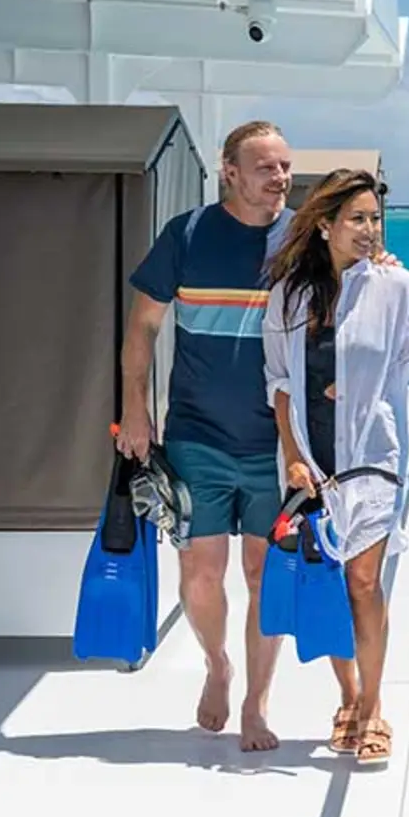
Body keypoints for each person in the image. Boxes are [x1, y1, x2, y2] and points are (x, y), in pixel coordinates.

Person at [262, 168, 409, 765]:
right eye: (356, 218)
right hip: (313, 461)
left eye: (375, 218)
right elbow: (278, 382)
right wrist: (292, 456)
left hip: (374, 456)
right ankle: (348, 696)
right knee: (332, 580)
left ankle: (373, 708)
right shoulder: (290, 295)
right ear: (325, 225)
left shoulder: (396, 286)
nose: (369, 229)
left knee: (365, 582)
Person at [116, 120, 296, 752]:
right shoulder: (187, 234)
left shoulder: (303, 237)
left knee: (263, 572)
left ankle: (256, 701)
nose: (279, 177)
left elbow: (356, 284)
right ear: (230, 171)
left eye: (284, 166)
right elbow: (142, 327)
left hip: (276, 441)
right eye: (266, 167)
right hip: (197, 434)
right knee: (200, 571)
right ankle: (218, 664)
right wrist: (135, 409)